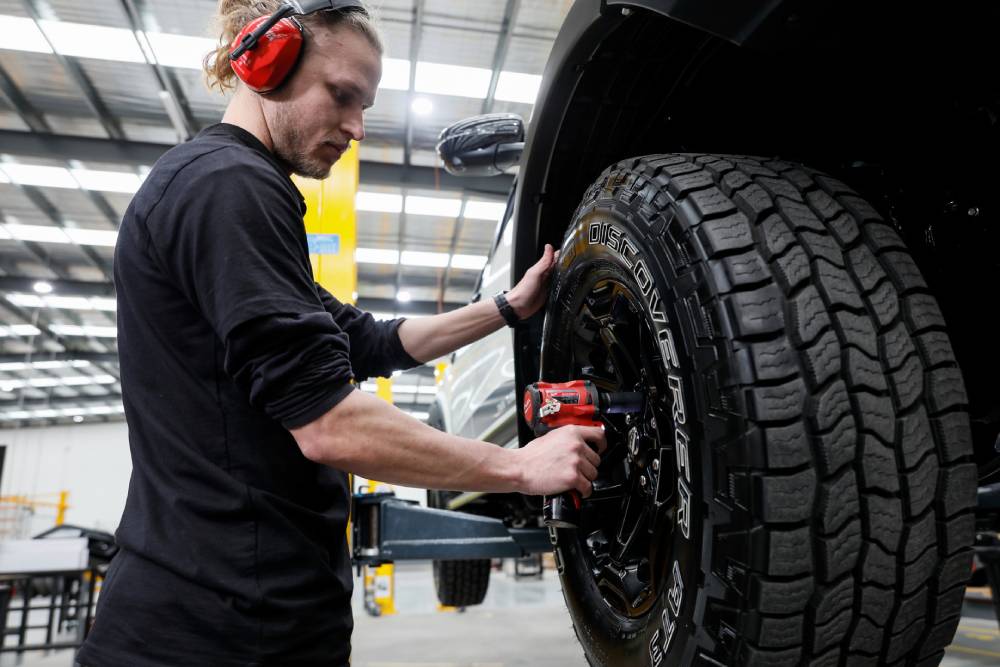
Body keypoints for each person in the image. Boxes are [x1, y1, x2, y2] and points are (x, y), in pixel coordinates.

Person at [76, 1, 606, 665]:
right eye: (342, 94)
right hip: (218, 632)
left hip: (244, 612)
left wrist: (505, 307)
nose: (357, 127)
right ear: (265, 62)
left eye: (365, 105)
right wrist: (520, 468)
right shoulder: (227, 187)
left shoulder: (228, 189)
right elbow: (328, 424)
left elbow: (368, 340)